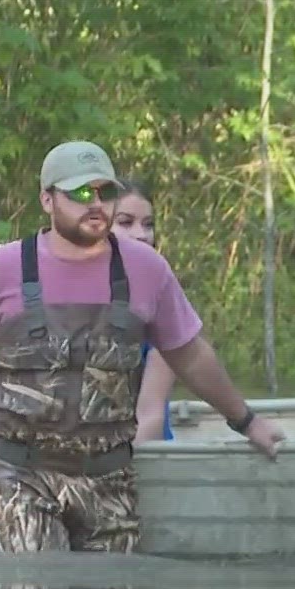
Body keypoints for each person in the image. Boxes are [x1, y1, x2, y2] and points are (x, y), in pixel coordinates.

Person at [0, 141, 286, 554]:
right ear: (48, 200)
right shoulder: (2, 268)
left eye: (104, 192)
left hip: (108, 474)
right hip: (18, 472)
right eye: (79, 193)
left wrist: (247, 422)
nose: (95, 204)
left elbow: (189, 354)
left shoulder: (148, 270)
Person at [112, 180, 175, 442]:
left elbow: (150, 416)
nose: (141, 234)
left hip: (144, 455)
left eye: (148, 224)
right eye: (125, 222)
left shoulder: (160, 301)